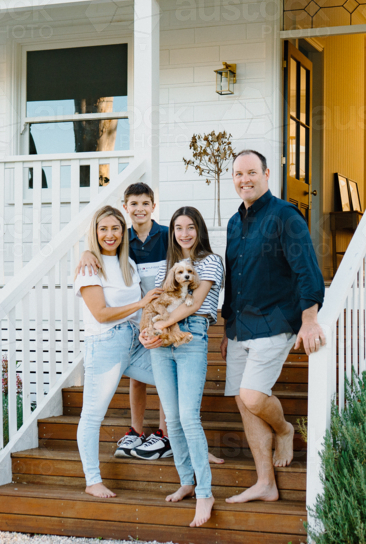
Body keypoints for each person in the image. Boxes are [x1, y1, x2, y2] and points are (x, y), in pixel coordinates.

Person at [76, 183, 224, 465]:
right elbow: (101, 250)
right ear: (126, 207)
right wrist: (86, 253)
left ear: (153, 206)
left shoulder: (168, 236)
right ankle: (136, 430)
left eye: (145, 203)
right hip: (137, 317)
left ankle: (166, 433)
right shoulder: (122, 238)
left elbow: (187, 278)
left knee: (167, 375)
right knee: (141, 378)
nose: (140, 209)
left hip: (168, 313)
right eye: (133, 204)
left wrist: (165, 319)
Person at [221, 149, 325, 504]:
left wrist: (308, 320)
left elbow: (307, 270)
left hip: (275, 321)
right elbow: (233, 280)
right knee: (243, 402)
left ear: (266, 174)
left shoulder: (285, 216)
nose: (244, 179)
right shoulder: (235, 223)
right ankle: (265, 482)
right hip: (240, 327)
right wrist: (227, 326)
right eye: (238, 174)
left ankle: (284, 429)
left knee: (253, 396)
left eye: (251, 172)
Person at [140, 207, 223, 528]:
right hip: (161, 341)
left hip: (193, 335)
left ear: (199, 230)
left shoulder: (211, 261)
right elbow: (155, 302)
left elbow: (195, 303)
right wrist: (148, 332)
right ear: (172, 231)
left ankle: (205, 492)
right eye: (178, 227)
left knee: (188, 416)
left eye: (190, 227)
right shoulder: (167, 267)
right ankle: (186, 481)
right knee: (171, 418)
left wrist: (160, 324)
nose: (185, 233)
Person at [74, 205, 161, 498]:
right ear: (95, 233)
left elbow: (138, 311)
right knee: (93, 415)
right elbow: (100, 313)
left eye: (114, 229)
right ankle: (92, 480)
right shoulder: (89, 267)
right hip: (105, 344)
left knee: (171, 377)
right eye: (103, 229)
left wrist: (147, 329)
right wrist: (139, 305)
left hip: (134, 342)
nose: (109, 235)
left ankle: (181, 442)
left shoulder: (129, 265)